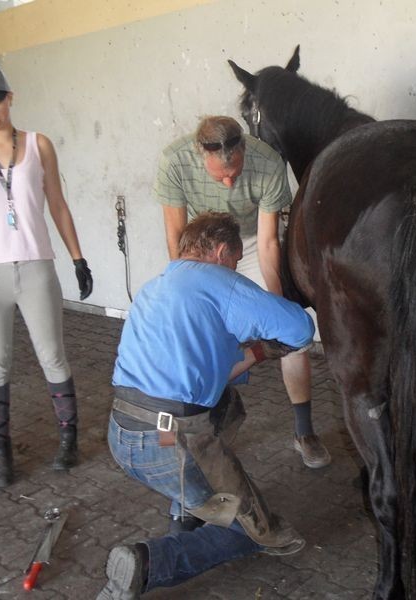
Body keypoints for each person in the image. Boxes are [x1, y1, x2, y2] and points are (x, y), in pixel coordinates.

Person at [99, 212, 314, 599]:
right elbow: (299, 329)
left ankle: (186, 505)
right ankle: (148, 562)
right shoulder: (219, 281)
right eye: (233, 262)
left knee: (226, 404)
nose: (233, 270)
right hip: (171, 443)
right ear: (219, 252)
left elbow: (208, 370)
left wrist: (256, 352)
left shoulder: (154, 287)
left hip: (126, 434)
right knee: (250, 531)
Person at [0, 64, 93, 488]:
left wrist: (78, 258)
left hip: (35, 267)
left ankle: (69, 442)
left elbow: (58, 204)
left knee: (53, 356)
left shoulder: (38, 145)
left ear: (11, 98)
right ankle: (1, 458)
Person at [153, 116, 331, 469]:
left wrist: (276, 306)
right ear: (199, 153)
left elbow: (267, 242)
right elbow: (176, 237)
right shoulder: (174, 162)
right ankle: (203, 419)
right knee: (199, 336)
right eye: (221, 175)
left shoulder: (267, 162)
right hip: (200, 248)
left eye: (235, 170)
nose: (230, 181)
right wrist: (187, 286)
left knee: (289, 334)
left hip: (248, 243)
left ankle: (304, 430)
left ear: (244, 149)